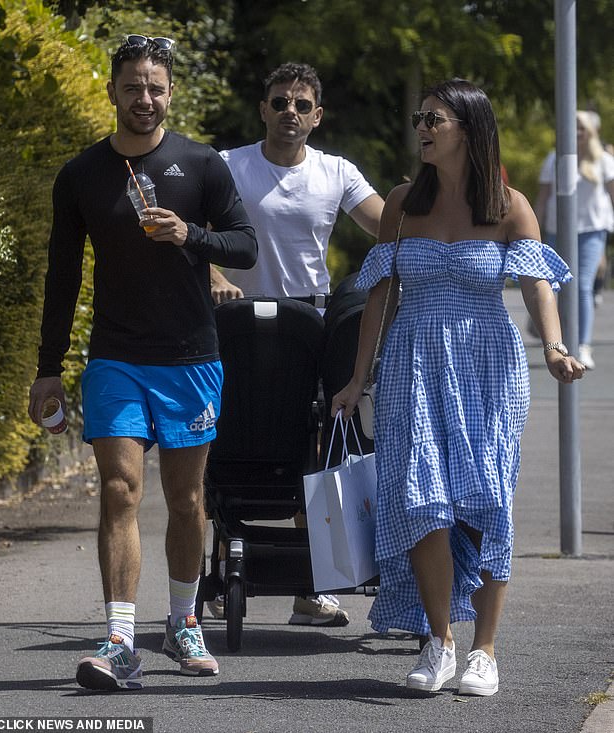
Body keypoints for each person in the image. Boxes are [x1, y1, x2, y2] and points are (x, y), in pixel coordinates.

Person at [332, 79, 586, 697]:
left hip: (488, 368)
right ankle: (439, 641)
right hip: (412, 363)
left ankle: (485, 652)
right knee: (423, 498)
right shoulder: (401, 203)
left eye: (434, 119)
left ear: (468, 131)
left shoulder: (508, 204)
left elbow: (535, 285)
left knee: (487, 499)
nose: (422, 127)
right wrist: (356, 377)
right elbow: (382, 294)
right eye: (420, 117)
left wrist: (553, 346)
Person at [27, 35, 257, 691]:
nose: (145, 99)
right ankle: (120, 638)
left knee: (186, 501)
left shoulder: (201, 164)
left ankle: (182, 622)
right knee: (121, 489)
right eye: (133, 86)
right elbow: (63, 278)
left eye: (155, 87)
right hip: (116, 358)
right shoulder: (82, 175)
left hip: (191, 358)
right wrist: (48, 366)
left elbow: (244, 245)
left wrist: (191, 235)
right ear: (112, 92)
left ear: (171, 92)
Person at [208, 62, 384, 626]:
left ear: (317, 116)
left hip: (308, 322)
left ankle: (312, 587)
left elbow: (390, 227)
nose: (290, 112)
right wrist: (214, 272)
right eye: (279, 101)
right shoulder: (229, 166)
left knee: (316, 441)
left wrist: (453, 212)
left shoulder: (336, 172)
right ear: (263, 109)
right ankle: (213, 567)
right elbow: (193, 228)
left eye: (301, 104)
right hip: (236, 319)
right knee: (226, 435)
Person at [534, 110, 614, 369]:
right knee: (553, 286)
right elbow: (543, 197)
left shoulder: (603, 160)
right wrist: (533, 233)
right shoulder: (554, 158)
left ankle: (583, 345)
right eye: (573, 127)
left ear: (590, 131)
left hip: (592, 230)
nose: (577, 132)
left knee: (581, 287)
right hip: (558, 231)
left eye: (582, 128)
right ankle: (555, 336)